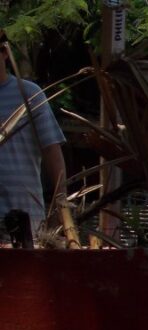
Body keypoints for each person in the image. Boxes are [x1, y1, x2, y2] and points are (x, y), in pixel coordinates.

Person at [0, 31, 67, 241]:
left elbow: (53, 155)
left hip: (24, 222)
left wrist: (59, 215)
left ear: (3, 52)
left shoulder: (28, 94)